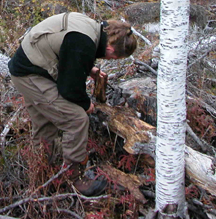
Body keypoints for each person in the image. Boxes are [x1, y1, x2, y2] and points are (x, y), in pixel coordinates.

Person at [8, 12, 137, 196]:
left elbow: (66, 50)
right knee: (76, 119)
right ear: (110, 49)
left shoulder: (91, 28)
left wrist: (87, 67)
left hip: (29, 65)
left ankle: (45, 171)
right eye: (114, 58)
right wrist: (86, 105)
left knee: (45, 122)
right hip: (30, 74)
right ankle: (73, 178)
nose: (109, 60)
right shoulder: (83, 42)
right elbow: (69, 89)